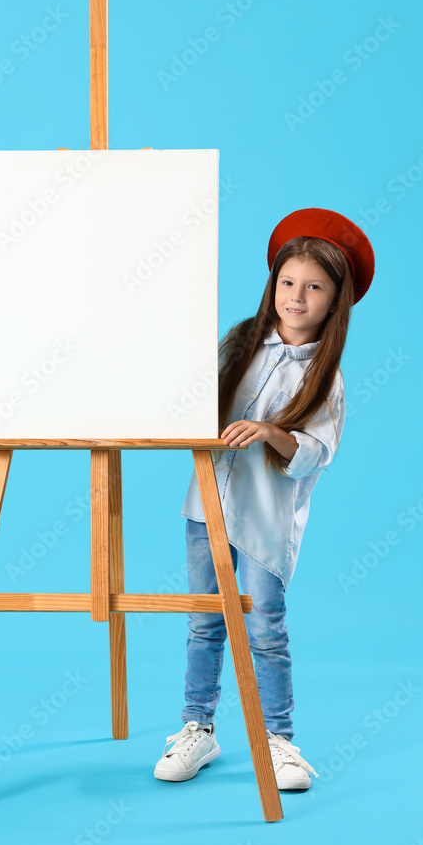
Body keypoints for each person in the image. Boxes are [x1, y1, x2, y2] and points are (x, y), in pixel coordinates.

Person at [153, 208, 375, 790]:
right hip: (206, 510)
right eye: (288, 282)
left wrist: (272, 432)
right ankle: (197, 727)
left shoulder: (326, 378)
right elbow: (192, 399)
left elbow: (315, 452)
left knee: (265, 627)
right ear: (273, 284)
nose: (296, 296)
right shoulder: (239, 344)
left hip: (264, 522)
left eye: (314, 287)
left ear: (336, 301)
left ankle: (279, 741)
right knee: (205, 621)